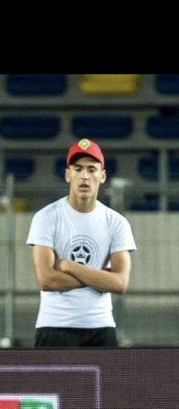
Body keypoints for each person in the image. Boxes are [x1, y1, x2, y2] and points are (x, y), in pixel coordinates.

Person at [26, 138, 136, 347]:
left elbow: (120, 284)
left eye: (92, 169)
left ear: (102, 176)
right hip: (53, 327)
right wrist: (101, 276)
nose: (85, 176)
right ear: (68, 175)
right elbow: (47, 280)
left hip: (101, 327)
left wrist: (69, 266)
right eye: (78, 169)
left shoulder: (116, 223)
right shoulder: (46, 217)